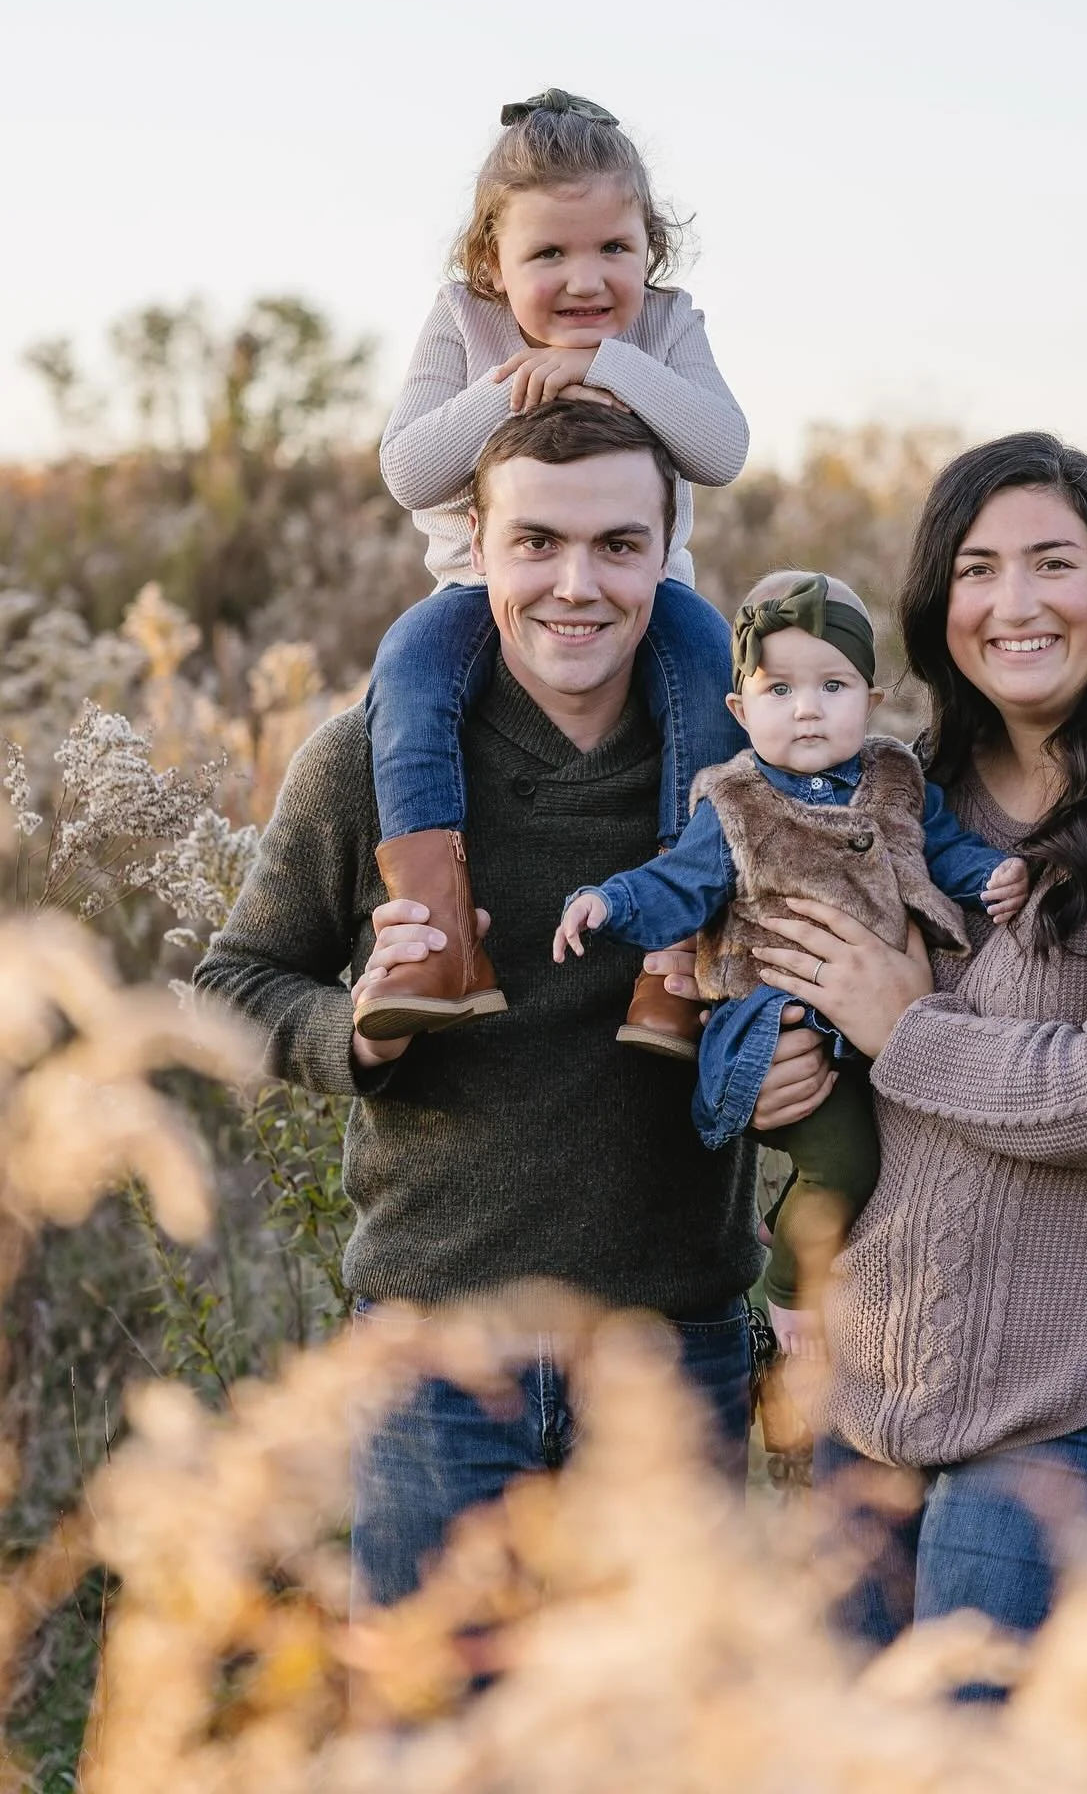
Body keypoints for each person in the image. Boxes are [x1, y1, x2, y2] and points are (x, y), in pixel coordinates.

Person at [194, 403, 758, 1612]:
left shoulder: (745, 778)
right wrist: (357, 1027)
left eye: (618, 545)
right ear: (477, 548)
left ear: (669, 549)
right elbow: (236, 983)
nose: (575, 584)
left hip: (670, 1358)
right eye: (537, 543)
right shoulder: (368, 762)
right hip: (435, 1366)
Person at [737, 432, 1087, 1657]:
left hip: (1079, 1388)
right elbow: (821, 1013)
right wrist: (788, 1075)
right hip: (870, 1385)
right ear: (940, 606)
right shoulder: (899, 796)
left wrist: (905, 1031)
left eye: (1054, 563)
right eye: (980, 569)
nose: (1016, 603)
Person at [359, 86, 748, 1050]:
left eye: (614, 248)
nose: (586, 280)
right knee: (409, 666)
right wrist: (514, 387)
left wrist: (604, 365)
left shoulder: (663, 327)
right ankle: (441, 936)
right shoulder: (465, 319)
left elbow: (721, 447)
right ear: (493, 260)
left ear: (649, 247)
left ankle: (676, 953)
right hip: (478, 593)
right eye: (549, 254)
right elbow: (411, 470)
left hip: (639, 598)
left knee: (706, 662)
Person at [554, 570, 1028, 1359]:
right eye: (779, 690)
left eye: (832, 685)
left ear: (871, 703)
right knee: (848, 1164)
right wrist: (611, 903)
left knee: (894, 1165)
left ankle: (797, 1221)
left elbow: (938, 849)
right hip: (782, 1025)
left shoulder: (894, 780)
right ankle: (788, 1296)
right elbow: (680, 883)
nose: (807, 708)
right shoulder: (738, 804)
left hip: (877, 1030)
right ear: (740, 710)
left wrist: (990, 875)